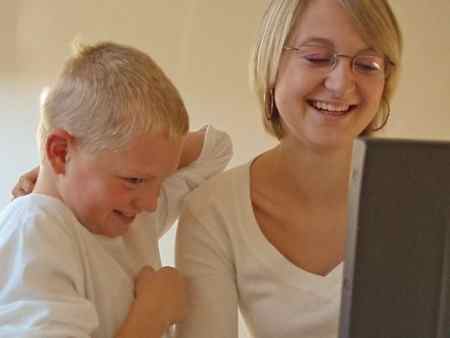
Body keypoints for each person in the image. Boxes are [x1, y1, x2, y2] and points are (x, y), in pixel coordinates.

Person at [174, 0, 402, 338]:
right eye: (317, 57)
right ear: (271, 66)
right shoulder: (214, 211)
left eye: (367, 64)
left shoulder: (432, 199)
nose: (341, 84)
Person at [0, 41, 232, 338]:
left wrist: (150, 163)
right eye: (134, 179)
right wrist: (154, 314)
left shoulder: (128, 217)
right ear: (60, 151)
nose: (151, 203)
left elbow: (216, 147)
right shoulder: (34, 231)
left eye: (160, 181)